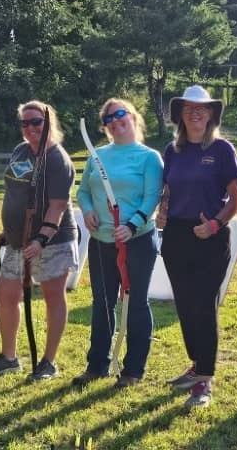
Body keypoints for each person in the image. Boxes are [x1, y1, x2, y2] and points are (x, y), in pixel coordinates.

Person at [0, 100, 78, 380]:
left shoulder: (58, 160)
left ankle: (48, 362)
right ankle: (9, 358)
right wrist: (10, 231)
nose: (31, 128)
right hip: (17, 241)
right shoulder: (20, 151)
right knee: (6, 295)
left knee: (52, 296)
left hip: (53, 240)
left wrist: (41, 239)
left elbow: (57, 206)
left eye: (37, 122)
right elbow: (14, 194)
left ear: (49, 123)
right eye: (25, 123)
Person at [156, 85, 237, 408]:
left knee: (204, 306)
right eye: (189, 108)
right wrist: (163, 210)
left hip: (211, 234)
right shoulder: (171, 150)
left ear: (211, 114)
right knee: (185, 305)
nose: (195, 113)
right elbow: (168, 189)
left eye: (202, 108)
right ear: (181, 114)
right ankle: (196, 364)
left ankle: (204, 380)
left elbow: (236, 198)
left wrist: (215, 224)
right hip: (177, 235)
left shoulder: (221, 149)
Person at [73, 98, 163, 388]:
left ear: (133, 117)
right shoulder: (96, 156)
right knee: (102, 303)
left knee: (135, 303)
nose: (115, 120)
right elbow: (84, 191)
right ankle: (97, 365)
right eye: (109, 118)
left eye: (120, 114)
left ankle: (133, 370)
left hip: (136, 241)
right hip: (101, 242)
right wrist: (87, 211)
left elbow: (152, 197)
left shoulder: (149, 157)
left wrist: (132, 224)